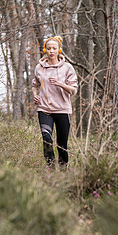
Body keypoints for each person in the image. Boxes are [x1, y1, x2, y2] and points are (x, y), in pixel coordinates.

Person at [31, 36, 78, 167]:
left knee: (62, 144)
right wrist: (35, 95)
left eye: (54, 48)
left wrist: (60, 84)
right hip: (44, 109)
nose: (51, 51)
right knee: (47, 139)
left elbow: (73, 90)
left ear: (59, 50)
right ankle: (51, 169)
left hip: (63, 110)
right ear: (45, 50)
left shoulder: (67, 68)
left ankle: (63, 170)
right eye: (48, 48)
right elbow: (35, 85)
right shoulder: (39, 68)